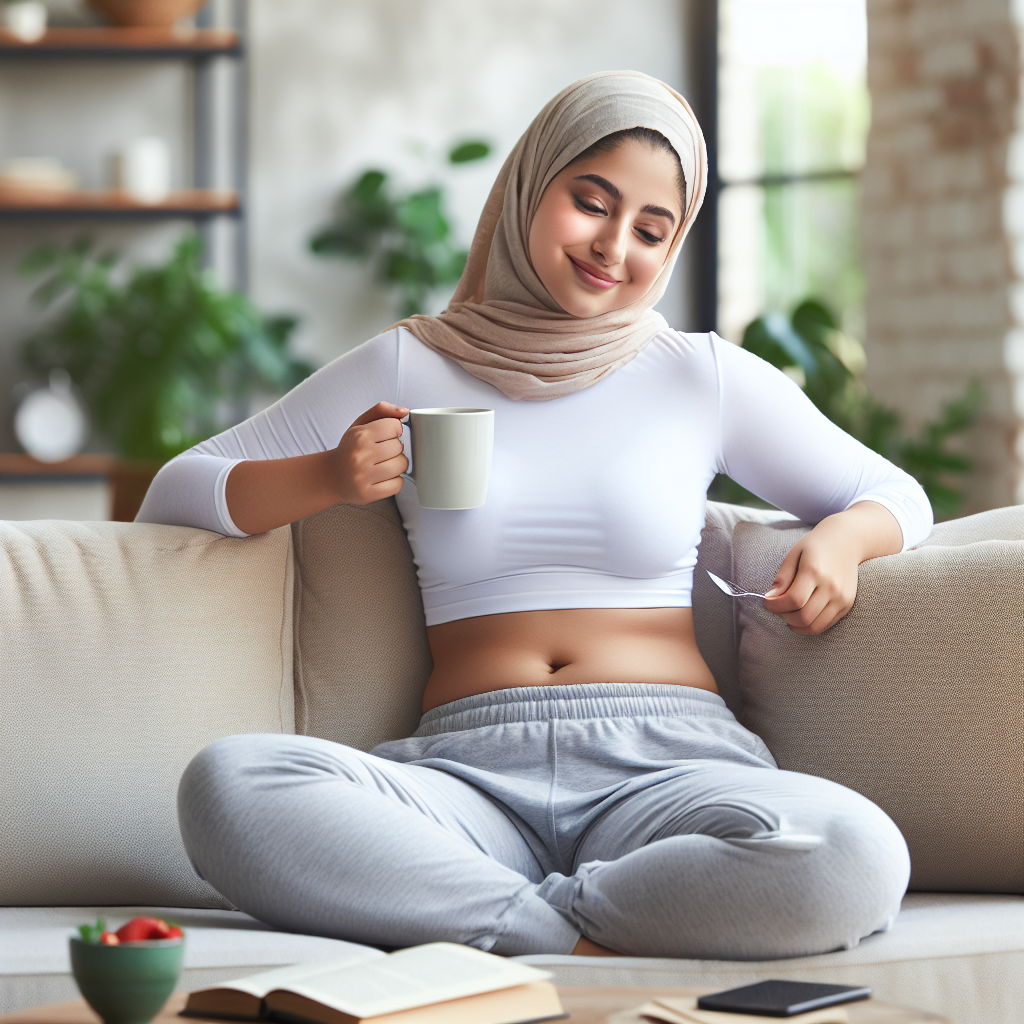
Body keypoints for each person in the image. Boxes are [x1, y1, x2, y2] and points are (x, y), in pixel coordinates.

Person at [139, 71, 932, 961]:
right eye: (590, 202)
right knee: (229, 784)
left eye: (650, 230)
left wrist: (844, 537)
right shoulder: (411, 364)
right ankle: (566, 936)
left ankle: (497, 925)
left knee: (854, 853)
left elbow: (897, 495)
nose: (612, 246)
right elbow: (176, 488)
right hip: (469, 780)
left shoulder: (699, 376)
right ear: (529, 186)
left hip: (673, 767)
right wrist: (328, 474)